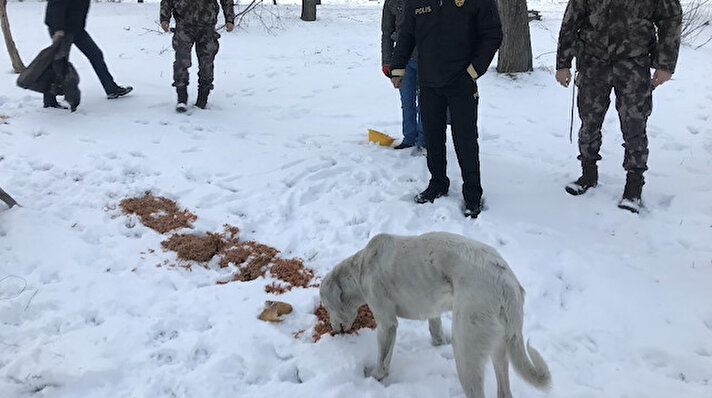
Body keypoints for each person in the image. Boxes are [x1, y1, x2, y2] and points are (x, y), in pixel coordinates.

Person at [556, 0, 682, 213]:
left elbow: (671, 18)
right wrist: (563, 63)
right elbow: (571, 19)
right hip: (593, 62)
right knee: (589, 121)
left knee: (634, 125)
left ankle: (634, 186)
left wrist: (666, 64)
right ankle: (588, 174)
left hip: (634, 63)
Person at [389, 0, 502, 218]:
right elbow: (406, 35)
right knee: (433, 137)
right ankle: (438, 182)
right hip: (429, 82)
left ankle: (472, 193)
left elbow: (492, 35)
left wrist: (474, 70)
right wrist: (398, 66)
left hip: (462, 82)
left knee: (465, 139)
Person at [44, 0, 133, 109]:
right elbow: (56, 5)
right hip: (62, 29)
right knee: (59, 63)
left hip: (76, 28)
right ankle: (49, 100)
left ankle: (111, 89)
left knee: (96, 54)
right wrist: (58, 29)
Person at [160, 0, 235, 113]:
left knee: (207, 64)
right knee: (181, 62)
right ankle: (181, 98)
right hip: (184, 26)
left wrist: (229, 18)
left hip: (207, 27)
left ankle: (203, 98)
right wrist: (164, 18)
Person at [381, 0, 425, 154]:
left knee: (425, 102)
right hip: (402, 61)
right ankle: (409, 138)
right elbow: (386, 32)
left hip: (427, 59)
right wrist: (387, 61)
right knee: (407, 101)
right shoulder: (392, 2)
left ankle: (424, 140)